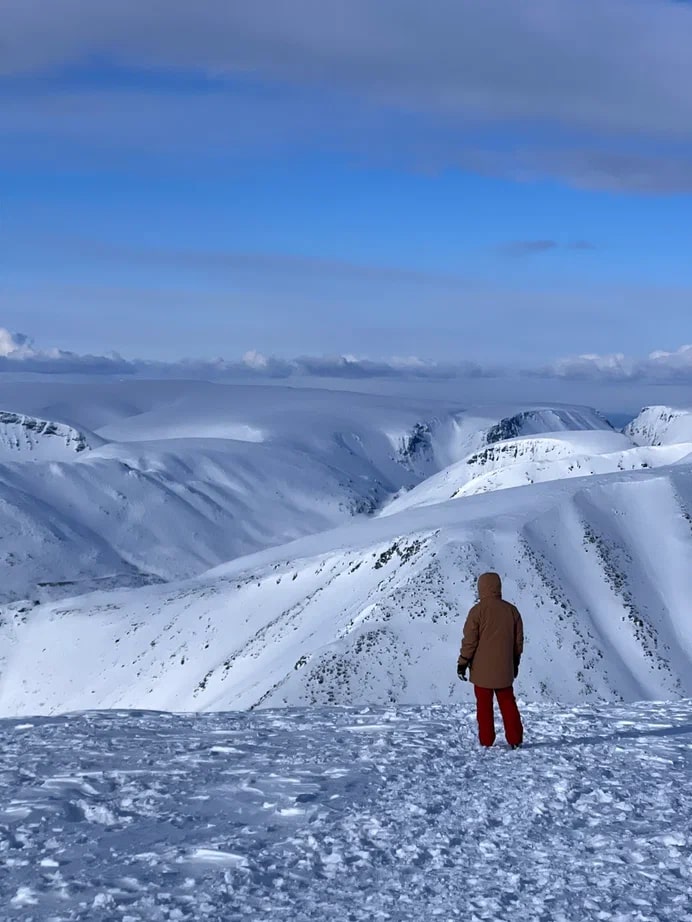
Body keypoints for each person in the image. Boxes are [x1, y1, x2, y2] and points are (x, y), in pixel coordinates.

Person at [457, 572, 524, 748]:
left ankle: (486, 740)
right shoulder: (511, 611)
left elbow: (470, 640)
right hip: (505, 667)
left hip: (482, 670)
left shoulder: (477, 611)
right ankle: (515, 739)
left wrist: (463, 662)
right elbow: (518, 642)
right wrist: (514, 662)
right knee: (508, 703)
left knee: (484, 706)